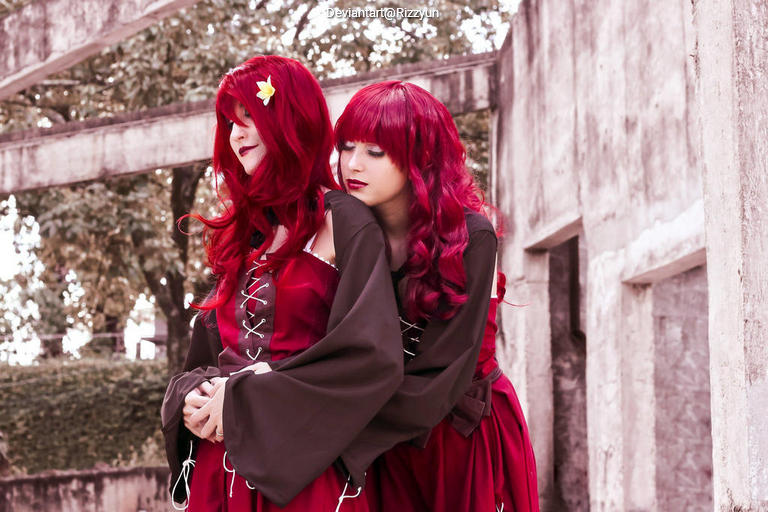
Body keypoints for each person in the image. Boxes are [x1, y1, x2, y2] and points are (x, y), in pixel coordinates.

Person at [160, 56, 403, 511]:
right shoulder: (245, 231)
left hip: (303, 473)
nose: (236, 135)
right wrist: (193, 398)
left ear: (291, 119)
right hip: (221, 470)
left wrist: (247, 398)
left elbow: (370, 357)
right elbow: (209, 354)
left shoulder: (346, 222)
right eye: (231, 122)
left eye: (251, 117)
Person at [334, 81, 540, 512]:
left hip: (457, 433)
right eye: (347, 146)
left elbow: (443, 372)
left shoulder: (471, 236)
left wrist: (331, 433)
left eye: (375, 152)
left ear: (420, 157)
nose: (353, 164)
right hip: (378, 434)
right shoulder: (346, 230)